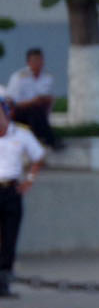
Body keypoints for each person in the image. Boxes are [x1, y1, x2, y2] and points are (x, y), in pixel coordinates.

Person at [0, 99, 44, 297]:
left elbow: (38, 156)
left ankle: (4, 283)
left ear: (7, 113)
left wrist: (30, 180)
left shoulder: (21, 134)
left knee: (9, 238)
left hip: (11, 189)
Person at [6, 48, 59, 148]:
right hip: (20, 113)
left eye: (39, 60)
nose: (38, 63)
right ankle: (50, 140)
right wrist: (32, 102)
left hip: (39, 114)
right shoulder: (18, 77)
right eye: (35, 60)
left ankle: (43, 139)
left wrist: (41, 101)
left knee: (36, 111)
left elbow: (50, 99)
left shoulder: (48, 77)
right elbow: (11, 102)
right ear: (28, 62)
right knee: (33, 109)